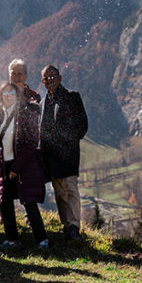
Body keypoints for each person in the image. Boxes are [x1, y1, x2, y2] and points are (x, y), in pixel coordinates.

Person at [0, 82, 47, 249]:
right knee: (5, 203)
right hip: (4, 165)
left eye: (12, 92)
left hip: (23, 166)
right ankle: (12, 239)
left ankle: (42, 240)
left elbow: (31, 143)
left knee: (29, 202)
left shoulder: (25, 114)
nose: (8, 95)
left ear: (17, 95)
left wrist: (16, 168)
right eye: (5, 92)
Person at [39, 64, 88, 240]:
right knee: (59, 192)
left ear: (60, 78)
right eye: (46, 78)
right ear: (42, 82)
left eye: (53, 77)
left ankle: (74, 226)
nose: (50, 81)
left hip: (68, 155)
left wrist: (68, 143)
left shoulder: (72, 97)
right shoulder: (43, 102)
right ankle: (66, 226)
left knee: (70, 190)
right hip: (51, 157)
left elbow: (82, 125)